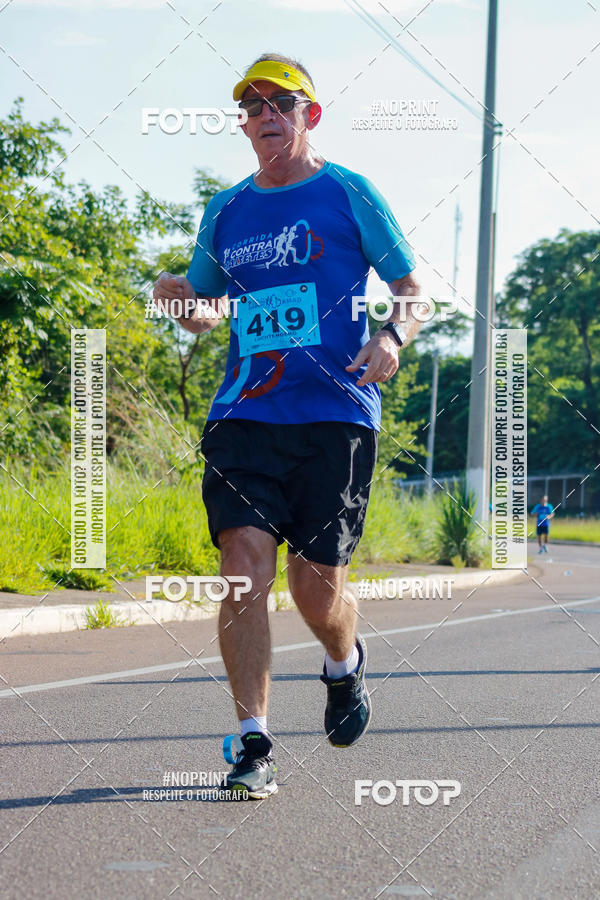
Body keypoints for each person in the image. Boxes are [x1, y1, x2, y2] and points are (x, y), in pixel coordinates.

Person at [153, 53, 422, 799]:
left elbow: (411, 289)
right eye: (253, 105)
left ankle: (345, 665)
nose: (266, 114)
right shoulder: (227, 210)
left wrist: (392, 339)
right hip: (246, 413)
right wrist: (178, 301)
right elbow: (206, 313)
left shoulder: (348, 193)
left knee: (314, 587)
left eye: (282, 102)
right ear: (243, 123)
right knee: (243, 568)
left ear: (310, 115)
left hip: (335, 412)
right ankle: (251, 741)